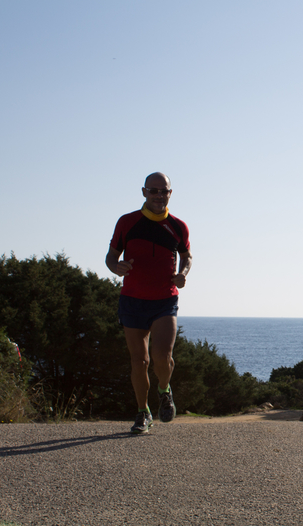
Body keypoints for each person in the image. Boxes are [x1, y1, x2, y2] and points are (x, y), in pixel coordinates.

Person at [106, 172, 193, 434]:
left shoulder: (178, 226)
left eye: (163, 191)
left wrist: (183, 274)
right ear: (144, 192)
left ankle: (164, 391)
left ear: (170, 193)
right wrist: (117, 267)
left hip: (165, 300)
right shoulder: (127, 222)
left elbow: (187, 256)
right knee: (139, 362)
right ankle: (143, 412)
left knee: (162, 357)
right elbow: (111, 257)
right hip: (132, 300)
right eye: (153, 191)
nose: (158, 195)